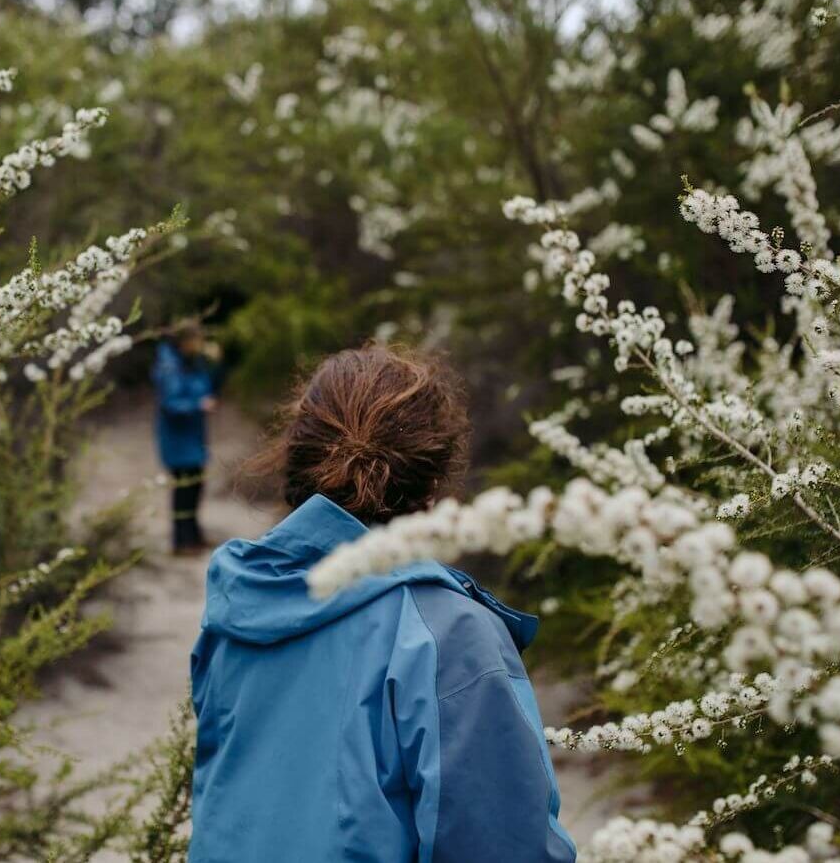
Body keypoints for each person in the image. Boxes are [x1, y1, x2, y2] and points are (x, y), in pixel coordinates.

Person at [189, 344, 576, 863]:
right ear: (434, 490)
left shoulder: (241, 602)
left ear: (297, 467)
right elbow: (504, 846)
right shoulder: (448, 635)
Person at [153, 323, 218, 555]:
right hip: (178, 439)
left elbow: (208, 386)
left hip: (193, 437)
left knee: (195, 486)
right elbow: (170, 404)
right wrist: (197, 406)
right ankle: (181, 541)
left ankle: (193, 535)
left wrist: (216, 363)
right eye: (197, 339)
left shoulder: (193, 361)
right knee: (183, 489)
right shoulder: (170, 366)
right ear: (184, 341)